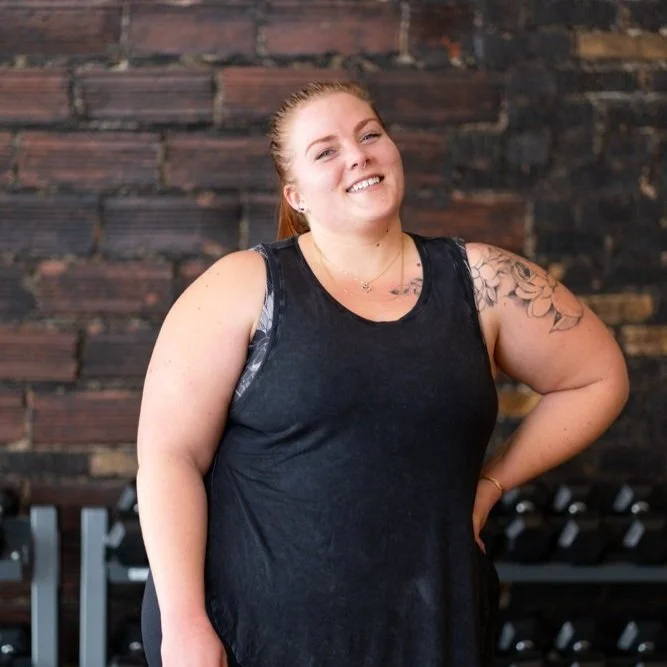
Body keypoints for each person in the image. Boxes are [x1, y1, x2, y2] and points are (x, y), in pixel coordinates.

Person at [137, 81, 629, 667]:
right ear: (296, 195)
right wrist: (184, 625)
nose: (358, 155)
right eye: (326, 150)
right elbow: (169, 457)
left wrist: (490, 486)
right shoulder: (243, 285)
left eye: (369, 135)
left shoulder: (481, 281)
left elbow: (598, 377)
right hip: (252, 631)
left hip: (429, 626)